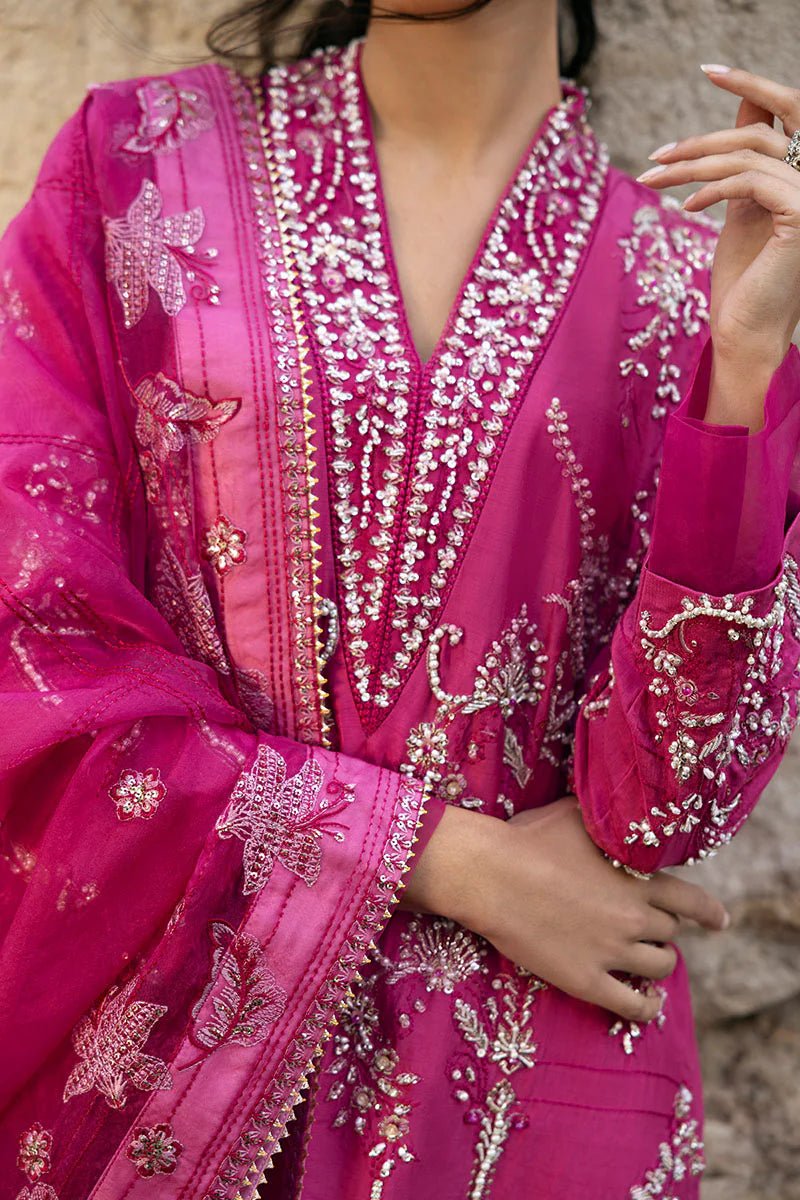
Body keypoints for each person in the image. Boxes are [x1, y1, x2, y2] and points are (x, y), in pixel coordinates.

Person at [1, 0, 800, 1195]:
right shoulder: (138, 168)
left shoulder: (685, 277)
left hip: (528, 1089)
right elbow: (35, 639)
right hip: (175, 1057)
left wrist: (741, 373)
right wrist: (438, 857)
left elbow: (660, 810)